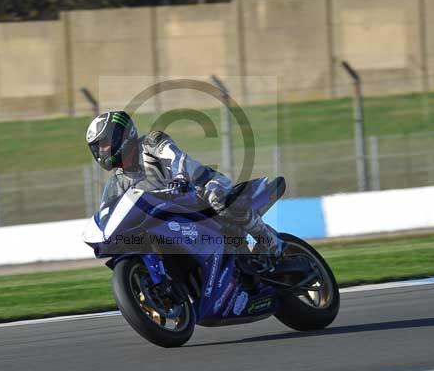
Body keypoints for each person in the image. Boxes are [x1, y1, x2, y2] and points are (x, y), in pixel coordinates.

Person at [85, 110, 284, 268]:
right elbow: (109, 209)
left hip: (200, 187)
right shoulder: (117, 182)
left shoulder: (150, 143)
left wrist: (179, 177)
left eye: (104, 143)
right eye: (97, 147)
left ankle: (269, 241)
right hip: (173, 212)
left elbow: (175, 156)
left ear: (122, 135)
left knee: (217, 199)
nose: (101, 151)